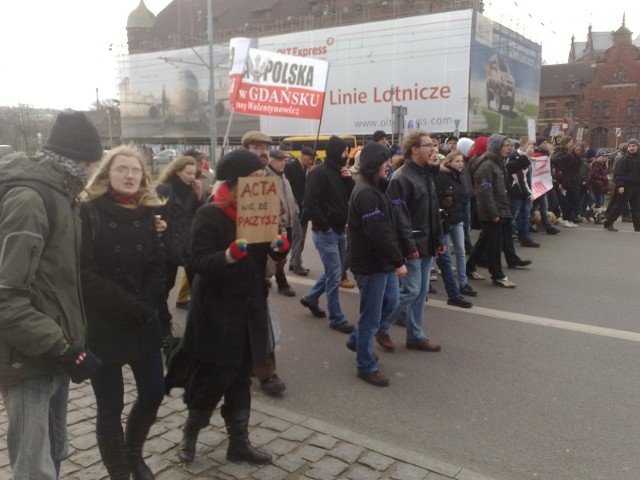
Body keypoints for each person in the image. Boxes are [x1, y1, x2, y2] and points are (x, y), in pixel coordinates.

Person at [0, 110, 103, 480]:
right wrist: (63, 348)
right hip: (28, 359)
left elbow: (58, 282)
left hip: (52, 352)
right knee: (33, 467)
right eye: (96, 163)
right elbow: (5, 300)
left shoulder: (64, 195)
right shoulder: (31, 200)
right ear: (84, 160)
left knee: (55, 451)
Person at [175, 150, 287, 465]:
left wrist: (279, 250)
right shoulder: (210, 213)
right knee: (212, 381)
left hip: (250, 309)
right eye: (256, 177)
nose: (262, 182)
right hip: (216, 314)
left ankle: (239, 442)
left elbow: (265, 261)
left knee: (240, 380)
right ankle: (190, 433)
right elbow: (197, 262)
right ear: (238, 181)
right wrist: (228, 255)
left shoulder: (260, 210)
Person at [80, 146, 166, 480]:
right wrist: (129, 305)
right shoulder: (89, 212)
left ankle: (133, 454)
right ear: (107, 174)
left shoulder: (146, 212)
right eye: (122, 169)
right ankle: (118, 472)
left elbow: (157, 264)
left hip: (142, 320)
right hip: (104, 323)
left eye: (135, 170)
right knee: (110, 405)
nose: (130, 175)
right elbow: (84, 273)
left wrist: (146, 301)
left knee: (154, 391)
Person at [377, 130, 444, 352]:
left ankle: (415, 335)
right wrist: (409, 246)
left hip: (427, 242)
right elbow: (399, 217)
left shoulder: (426, 173)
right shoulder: (401, 177)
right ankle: (380, 325)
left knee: (420, 292)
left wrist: (438, 238)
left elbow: (433, 209)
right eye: (428, 145)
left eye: (433, 145)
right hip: (412, 244)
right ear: (414, 149)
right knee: (412, 290)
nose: (433, 149)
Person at [346, 142, 407, 387]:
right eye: (386, 163)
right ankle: (365, 365)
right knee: (370, 317)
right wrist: (397, 261)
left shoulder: (376, 187)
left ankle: (356, 339)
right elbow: (378, 233)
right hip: (371, 264)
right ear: (374, 165)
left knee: (391, 301)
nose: (390, 167)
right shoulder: (366, 193)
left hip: (382, 262)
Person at [300, 135, 355, 334]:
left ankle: (311, 298)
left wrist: (349, 180)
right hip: (327, 233)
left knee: (334, 272)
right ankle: (336, 317)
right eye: (344, 151)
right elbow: (311, 201)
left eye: (347, 152)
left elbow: (352, 196)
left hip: (340, 230)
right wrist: (325, 226)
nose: (346, 155)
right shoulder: (319, 173)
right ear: (334, 152)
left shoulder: (341, 172)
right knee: (334, 276)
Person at [155, 156, 201, 343]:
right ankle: (164, 328)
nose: (191, 177)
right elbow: (155, 214)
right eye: (187, 173)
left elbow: (199, 215)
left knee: (198, 288)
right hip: (168, 246)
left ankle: (198, 328)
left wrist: (199, 197)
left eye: (193, 173)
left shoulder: (193, 189)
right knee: (164, 288)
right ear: (177, 171)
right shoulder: (165, 188)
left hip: (190, 245)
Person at [468, 134, 520, 288]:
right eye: (505, 145)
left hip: (500, 209)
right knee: (494, 245)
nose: (508, 148)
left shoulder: (499, 163)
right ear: (496, 147)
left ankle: (468, 268)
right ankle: (498, 275)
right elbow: (485, 192)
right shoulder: (487, 166)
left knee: (485, 241)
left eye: (508, 145)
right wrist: (494, 214)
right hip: (493, 212)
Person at [436, 149, 477, 301]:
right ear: (449, 162)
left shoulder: (460, 176)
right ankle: (449, 287)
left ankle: (463, 282)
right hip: (445, 221)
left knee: (460, 251)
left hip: (457, 219)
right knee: (444, 255)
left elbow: (463, 197)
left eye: (461, 161)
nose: (460, 164)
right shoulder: (442, 176)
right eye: (457, 161)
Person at [265, 149, 299, 297]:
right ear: (270, 160)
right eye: (279, 160)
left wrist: (296, 209)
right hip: (276, 225)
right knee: (278, 256)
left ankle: (266, 276)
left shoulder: (284, 178)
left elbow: (290, 199)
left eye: (284, 161)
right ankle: (281, 282)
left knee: (282, 253)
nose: (282, 163)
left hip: (289, 223)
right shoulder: (266, 179)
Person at [285, 145, 315, 276]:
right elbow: (289, 186)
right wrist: (300, 199)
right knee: (298, 237)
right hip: (295, 207)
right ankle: (297, 265)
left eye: (312, 159)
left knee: (300, 238)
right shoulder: (290, 167)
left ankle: (293, 262)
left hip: (305, 209)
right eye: (309, 159)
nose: (311, 162)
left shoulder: (309, 170)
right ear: (302, 156)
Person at [506, 137, 539, 247]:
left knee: (526, 215)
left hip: (526, 190)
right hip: (517, 191)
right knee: (513, 215)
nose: (531, 146)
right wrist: (528, 192)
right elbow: (519, 177)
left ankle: (525, 237)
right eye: (528, 144)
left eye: (532, 144)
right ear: (522, 145)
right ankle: (506, 238)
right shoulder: (514, 156)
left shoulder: (527, 157)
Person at [604, 138, 640, 231]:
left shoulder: (638, 159)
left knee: (636, 208)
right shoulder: (623, 159)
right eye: (630, 146)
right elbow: (618, 174)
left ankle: (637, 227)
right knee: (619, 206)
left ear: (638, 147)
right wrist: (620, 186)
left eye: (633, 146)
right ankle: (609, 223)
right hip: (626, 186)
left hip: (636, 187)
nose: (631, 148)